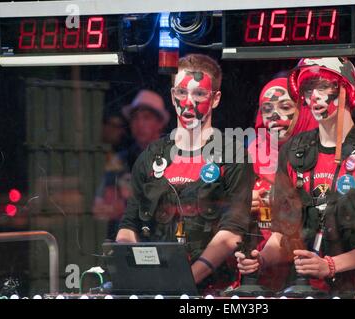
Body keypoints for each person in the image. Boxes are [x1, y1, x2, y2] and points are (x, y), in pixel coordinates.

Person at [236, 57, 355, 298]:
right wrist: (260, 259)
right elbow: (284, 233)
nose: (314, 95)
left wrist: (332, 264)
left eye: (323, 86)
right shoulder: (293, 150)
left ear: (347, 89)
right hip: (304, 290)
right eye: (307, 88)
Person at [116, 54, 254, 294]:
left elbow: (232, 231)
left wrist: (185, 279)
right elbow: (129, 224)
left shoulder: (233, 154)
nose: (188, 102)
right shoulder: (152, 155)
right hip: (155, 287)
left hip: (214, 291)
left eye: (199, 94)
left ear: (215, 99)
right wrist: (135, 271)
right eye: (181, 92)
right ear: (172, 96)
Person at [245, 77, 317, 290]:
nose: (274, 116)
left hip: (312, 278)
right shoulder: (249, 155)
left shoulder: (321, 153)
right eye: (266, 109)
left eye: (285, 106)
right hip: (259, 279)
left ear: (303, 110)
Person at [93, 90, 169, 240]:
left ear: (160, 123)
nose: (140, 124)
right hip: (125, 240)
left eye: (146, 118)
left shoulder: (173, 157)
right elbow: (103, 205)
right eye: (135, 118)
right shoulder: (120, 160)